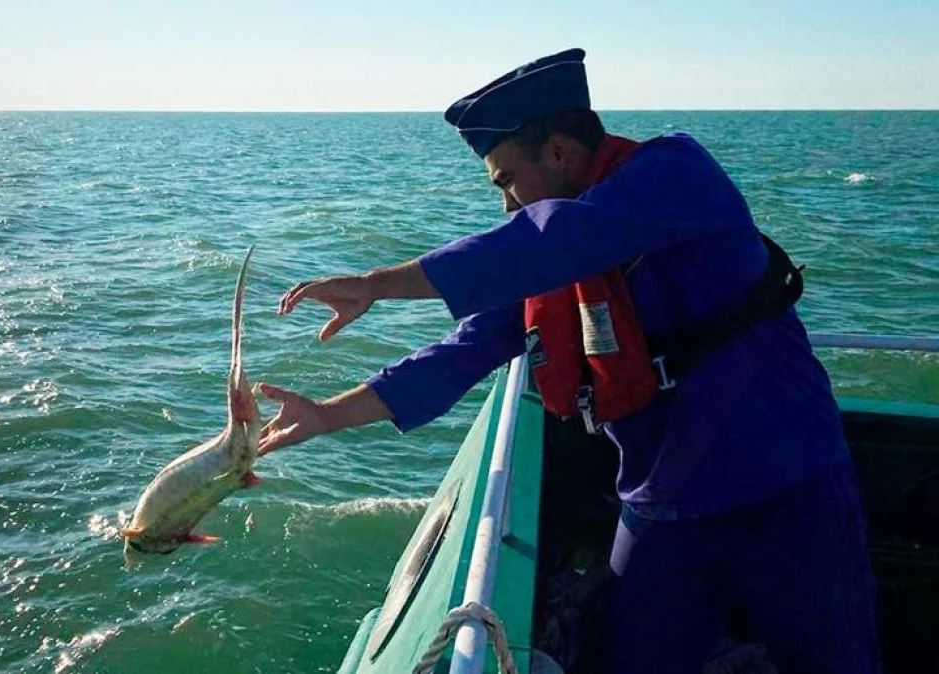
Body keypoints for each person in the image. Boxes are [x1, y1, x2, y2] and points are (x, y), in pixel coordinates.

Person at [256, 48, 880, 674]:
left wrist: (377, 283)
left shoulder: (676, 172)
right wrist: (325, 416)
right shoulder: (545, 258)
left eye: (506, 181)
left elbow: (559, 236)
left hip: (784, 483)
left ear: (558, 153)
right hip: (661, 500)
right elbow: (463, 350)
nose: (505, 204)